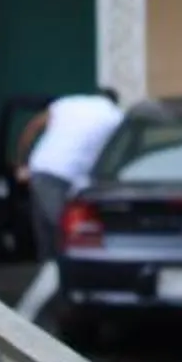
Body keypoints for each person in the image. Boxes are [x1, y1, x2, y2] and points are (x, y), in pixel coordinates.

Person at [20, 89, 124, 265]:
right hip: (67, 175)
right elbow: (119, 151)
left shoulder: (66, 104)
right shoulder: (116, 116)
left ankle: (48, 270)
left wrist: (22, 162)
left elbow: (32, 127)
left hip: (40, 167)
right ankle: (68, 271)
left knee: (46, 229)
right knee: (65, 228)